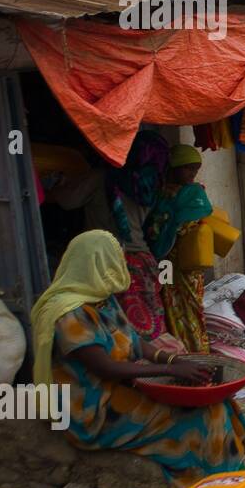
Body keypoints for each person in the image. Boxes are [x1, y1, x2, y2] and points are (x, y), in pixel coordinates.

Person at [30, 230, 245, 488]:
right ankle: (209, 484)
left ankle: (232, 473)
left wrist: (173, 358)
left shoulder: (103, 300)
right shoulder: (70, 313)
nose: (122, 267)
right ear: (97, 263)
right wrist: (171, 369)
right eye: (117, 261)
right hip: (95, 410)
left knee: (221, 404)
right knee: (203, 415)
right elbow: (105, 368)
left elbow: (135, 342)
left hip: (122, 389)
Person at [49, 130, 170, 339]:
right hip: (142, 261)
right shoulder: (151, 185)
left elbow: (67, 201)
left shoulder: (103, 177)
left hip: (106, 262)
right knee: (147, 335)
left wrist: (46, 188)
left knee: (112, 334)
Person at [145, 144, 213, 353]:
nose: (193, 173)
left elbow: (192, 224)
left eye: (196, 169)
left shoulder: (191, 193)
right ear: (173, 167)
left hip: (186, 267)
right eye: (188, 168)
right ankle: (177, 352)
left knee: (190, 307)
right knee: (167, 302)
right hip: (166, 261)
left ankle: (195, 353)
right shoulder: (159, 193)